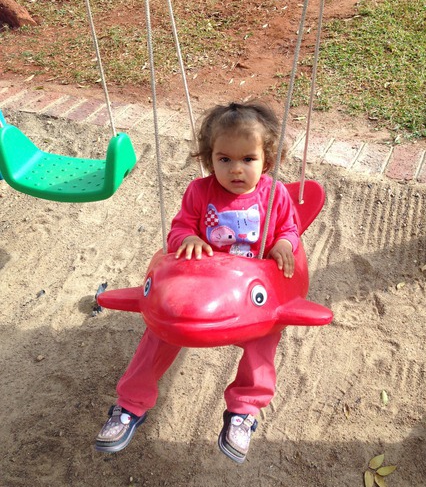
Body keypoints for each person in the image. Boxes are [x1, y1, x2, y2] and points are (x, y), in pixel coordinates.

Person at [95, 101, 300, 463]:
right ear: (210, 159)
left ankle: (244, 410)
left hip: (247, 296)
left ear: (266, 160)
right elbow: (180, 228)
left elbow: (289, 229)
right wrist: (187, 238)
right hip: (200, 291)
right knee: (160, 331)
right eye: (224, 159)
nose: (235, 169)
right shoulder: (199, 192)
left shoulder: (275, 194)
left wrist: (284, 243)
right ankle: (131, 405)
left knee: (264, 340)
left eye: (248, 159)